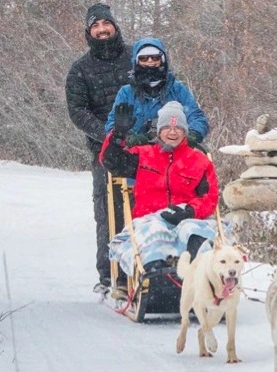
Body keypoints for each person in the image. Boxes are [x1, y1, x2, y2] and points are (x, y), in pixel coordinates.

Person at [101, 101, 219, 276]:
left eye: (178, 127)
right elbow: (111, 162)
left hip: (185, 217)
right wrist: (118, 135)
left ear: (185, 131)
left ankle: (196, 277)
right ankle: (154, 277)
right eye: (167, 128)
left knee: (193, 233)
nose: (172, 132)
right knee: (154, 233)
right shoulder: (143, 154)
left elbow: (210, 196)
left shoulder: (198, 161)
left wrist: (190, 211)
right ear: (159, 131)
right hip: (149, 219)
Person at [65, 3, 132, 294]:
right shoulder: (80, 70)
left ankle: (146, 266)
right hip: (104, 151)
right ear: (89, 32)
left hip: (143, 145)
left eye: (106, 24)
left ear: (115, 27)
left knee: (147, 204)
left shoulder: (136, 56)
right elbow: (78, 110)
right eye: (96, 26)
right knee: (108, 210)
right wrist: (106, 133)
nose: (102, 30)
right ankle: (110, 274)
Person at [104, 37, 209, 148]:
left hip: (173, 153)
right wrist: (128, 137)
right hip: (136, 156)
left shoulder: (177, 89)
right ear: (136, 62)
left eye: (155, 57)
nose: (150, 61)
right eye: (144, 58)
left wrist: (192, 135)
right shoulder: (126, 93)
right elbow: (111, 125)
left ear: (162, 60)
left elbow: (196, 117)